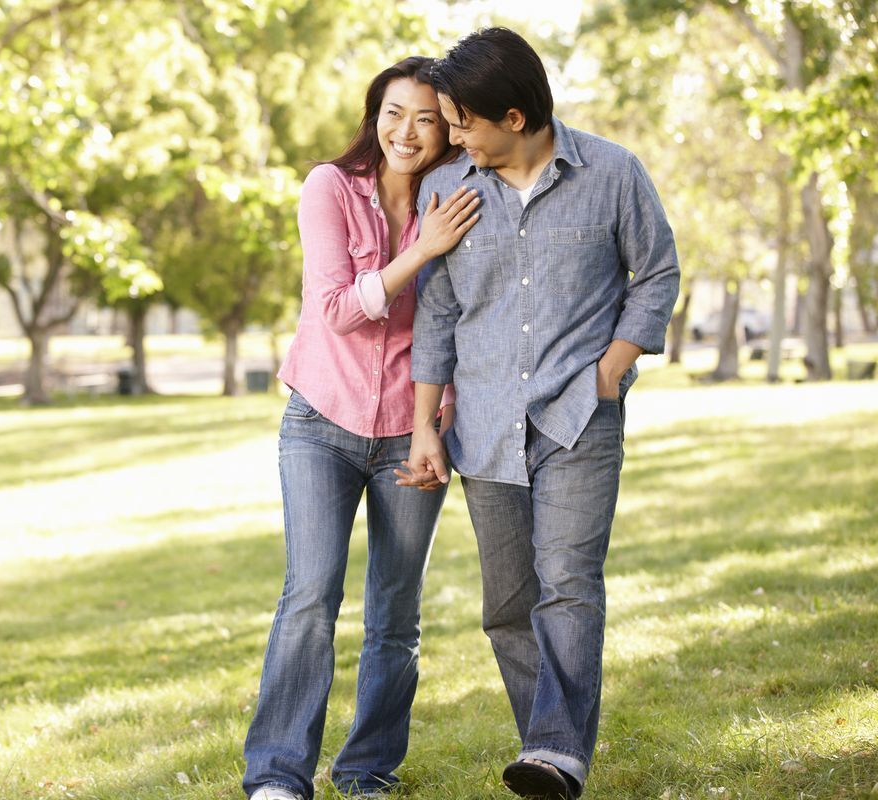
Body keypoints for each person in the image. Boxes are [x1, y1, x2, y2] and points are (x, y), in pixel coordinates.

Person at [399, 28, 680, 800]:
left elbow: (656, 274)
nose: (451, 137)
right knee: (509, 603)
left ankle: (557, 753)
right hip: (484, 422)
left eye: (462, 122)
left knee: (567, 582)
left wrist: (610, 373)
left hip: (577, 419)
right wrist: (426, 424)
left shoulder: (612, 173)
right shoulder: (447, 192)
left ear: (514, 117)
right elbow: (439, 313)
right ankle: (546, 752)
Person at [242, 56, 482, 800]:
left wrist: (440, 423)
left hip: (414, 430)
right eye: (392, 113)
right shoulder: (330, 188)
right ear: (372, 116)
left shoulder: (465, 196)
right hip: (322, 421)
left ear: (448, 128)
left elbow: (472, 321)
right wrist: (423, 248)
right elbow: (339, 310)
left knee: (396, 612)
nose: (406, 131)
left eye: (425, 117)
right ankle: (279, 775)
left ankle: (367, 769)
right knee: (310, 595)